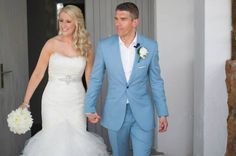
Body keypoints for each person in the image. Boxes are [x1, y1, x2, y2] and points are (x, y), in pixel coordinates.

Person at [19, 5, 109, 156]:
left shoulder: (86, 47)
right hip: (53, 100)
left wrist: (90, 105)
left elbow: (89, 77)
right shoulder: (51, 44)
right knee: (52, 142)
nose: (63, 25)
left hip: (77, 101)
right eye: (61, 20)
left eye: (68, 21)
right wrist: (25, 102)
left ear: (77, 23)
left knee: (78, 142)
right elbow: (37, 74)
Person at [85, 2, 169, 156]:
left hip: (142, 112)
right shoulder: (105, 46)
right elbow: (96, 78)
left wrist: (162, 112)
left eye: (123, 19)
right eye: (116, 19)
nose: (118, 23)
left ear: (135, 21)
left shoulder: (150, 46)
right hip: (115, 112)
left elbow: (156, 81)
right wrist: (89, 106)